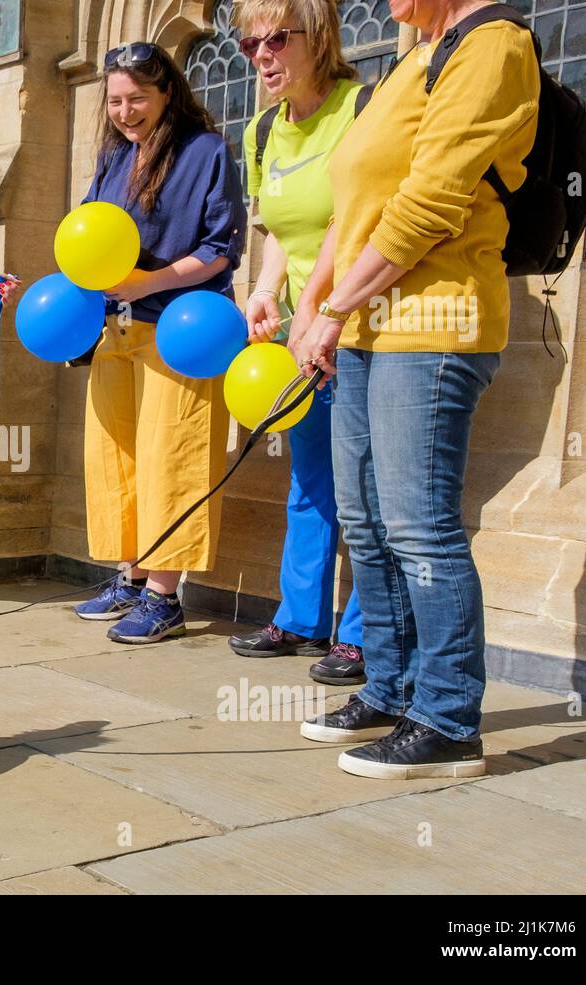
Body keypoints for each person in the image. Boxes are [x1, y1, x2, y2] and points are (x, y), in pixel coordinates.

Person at [289, 0, 540, 778]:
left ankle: (448, 717)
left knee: (419, 524)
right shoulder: (408, 61)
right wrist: (314, 304)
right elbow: (353, 209)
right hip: (366, 326)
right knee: (366, 522)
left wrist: (338, 304)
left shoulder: (493, 46)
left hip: (433, 323)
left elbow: (430, 203)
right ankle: (392, 689)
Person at [70, 42, 245, 644]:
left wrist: (151, 279)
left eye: (137, 98)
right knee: (115, 456)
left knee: (174, 457)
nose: (125, 111)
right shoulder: (114, 156)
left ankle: (165, 595)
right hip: (115, 328)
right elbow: (90, 237)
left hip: (179, 328)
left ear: (167, 91)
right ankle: (130, 574)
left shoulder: (207, 152)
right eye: (115, 100)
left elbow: (221, 248)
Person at [227, 0, 365, 684]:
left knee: (367, 489)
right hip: (303, 335)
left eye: (276, 38)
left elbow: (356, 216)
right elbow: (281, 227)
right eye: (249, 43)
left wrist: (317, 308)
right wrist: (264, 290)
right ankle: (302, 617)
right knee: (310, 481)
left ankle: (367, 635)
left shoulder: (362, 109)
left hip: (362, 324)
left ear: (320, 35)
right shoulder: (263, 131)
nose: (261, 55)